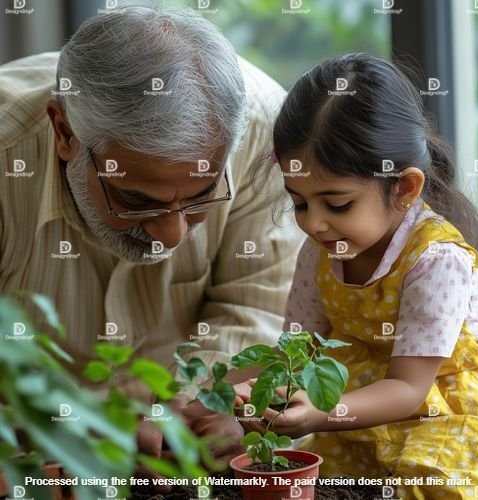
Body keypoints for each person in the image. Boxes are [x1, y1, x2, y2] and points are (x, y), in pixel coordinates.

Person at [0, 5, 303, 477]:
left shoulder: (266, 135)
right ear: (64, 133)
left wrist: (207, 405)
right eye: (135, 199)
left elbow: (257, 309)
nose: (172, 233)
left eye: (202, 196)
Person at [239, 54, 478, 499]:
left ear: (404, 188)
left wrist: (321, 412)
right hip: (355, 404)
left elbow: (408, 388)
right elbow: (295, 353)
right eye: (299, 203)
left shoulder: (437, 259)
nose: (313, 223)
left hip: (440, 409)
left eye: (336, 204)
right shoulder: (319, 252)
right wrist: (239, 390)